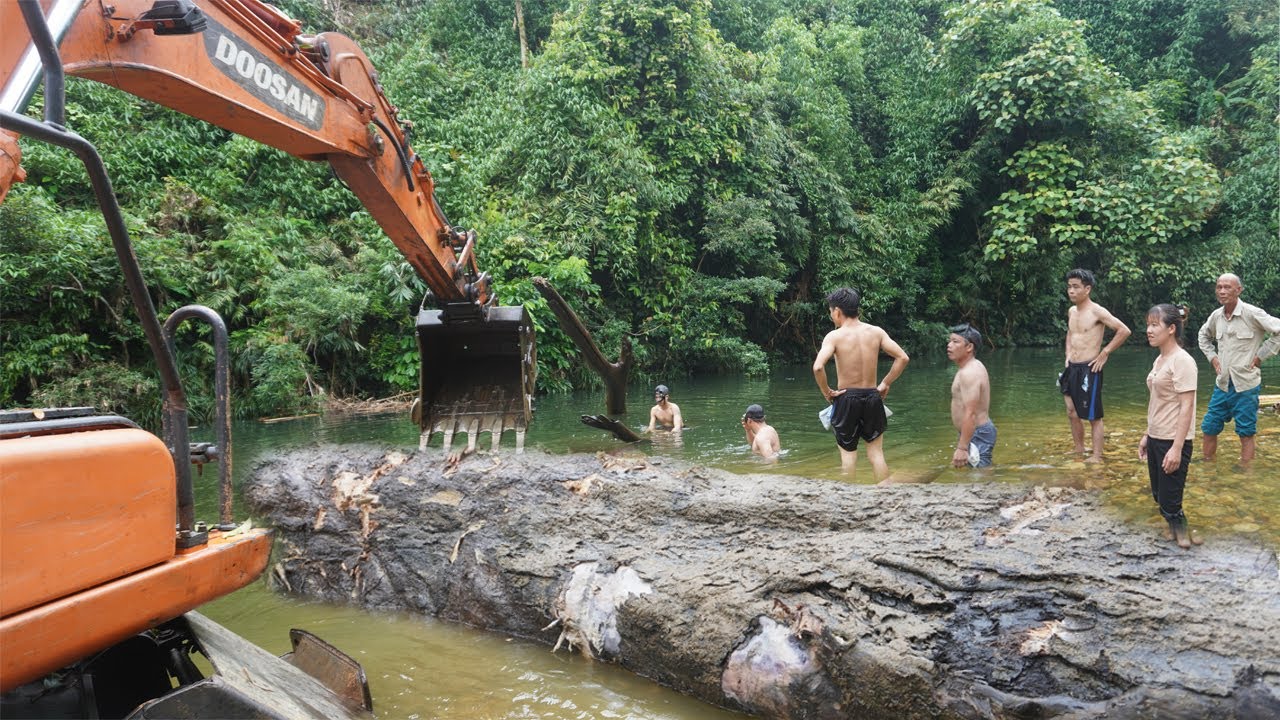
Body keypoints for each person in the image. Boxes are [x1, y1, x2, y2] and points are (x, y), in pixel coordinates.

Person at [812, 287, 910, 480]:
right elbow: (902, 358)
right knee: (876, 454)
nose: (831, 315)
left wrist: (827, 392)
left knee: (848, 458)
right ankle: (886, 495)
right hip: (873, 397)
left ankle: (849, 498)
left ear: (837, 311)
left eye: (831, 311)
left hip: (846, 398)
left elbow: (817, 367)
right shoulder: (876, 332)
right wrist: (885, 383)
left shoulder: (835, 336)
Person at [1197, 273, 1280, 465]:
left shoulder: (1252, 313)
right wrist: (1213, 358)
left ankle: (1246, 475)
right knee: (1209, 428)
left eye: (1227, 287)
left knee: (1246, 432)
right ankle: (1208, 467)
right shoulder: (1216, 316)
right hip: (1223, 384)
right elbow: (1203, 336)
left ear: (1238, 290)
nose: (1222, 291)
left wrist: (1262, 355)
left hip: (1246, 385)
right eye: (1219, 287)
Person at [1140, 304, 1202, 549]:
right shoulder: (1160, 359)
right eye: (1148, 324)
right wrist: (1147, 435)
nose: (1149, 330)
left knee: (1170, 499)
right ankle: (1174, 530)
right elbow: (1158, 402)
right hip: (1156, 437)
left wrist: (1176, 448)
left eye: (1155, 325)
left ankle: (1184, 534)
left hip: (1173, 440)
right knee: (1159, 495)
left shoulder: (1183, 361)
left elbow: (1187, 407)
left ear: (1172, 328)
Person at [1060, 269, 1131, 463]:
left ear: (1087, 289)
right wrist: (1067, 355)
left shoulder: (1097, 311)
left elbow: (1123, 330)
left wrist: (1105, 353)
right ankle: (1079, 449)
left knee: (1093, 415)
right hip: (1072, 367)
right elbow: (1070, 334)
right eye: (1069, 287)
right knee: (1071, 411)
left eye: (1076, 287)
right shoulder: (1072, 311)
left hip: (1089, 368)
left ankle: (1097, 456)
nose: (1071, 291)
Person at [947, 324, 996, 468]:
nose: (949, 345)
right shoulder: (968, 368)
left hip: (977, 433)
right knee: (975, 473)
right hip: (973, 432)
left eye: (956, 342)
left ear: (969, 347)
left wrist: (962, 448)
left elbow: (971, 413)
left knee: (980, 478)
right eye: (950, 341)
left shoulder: (970, 373)